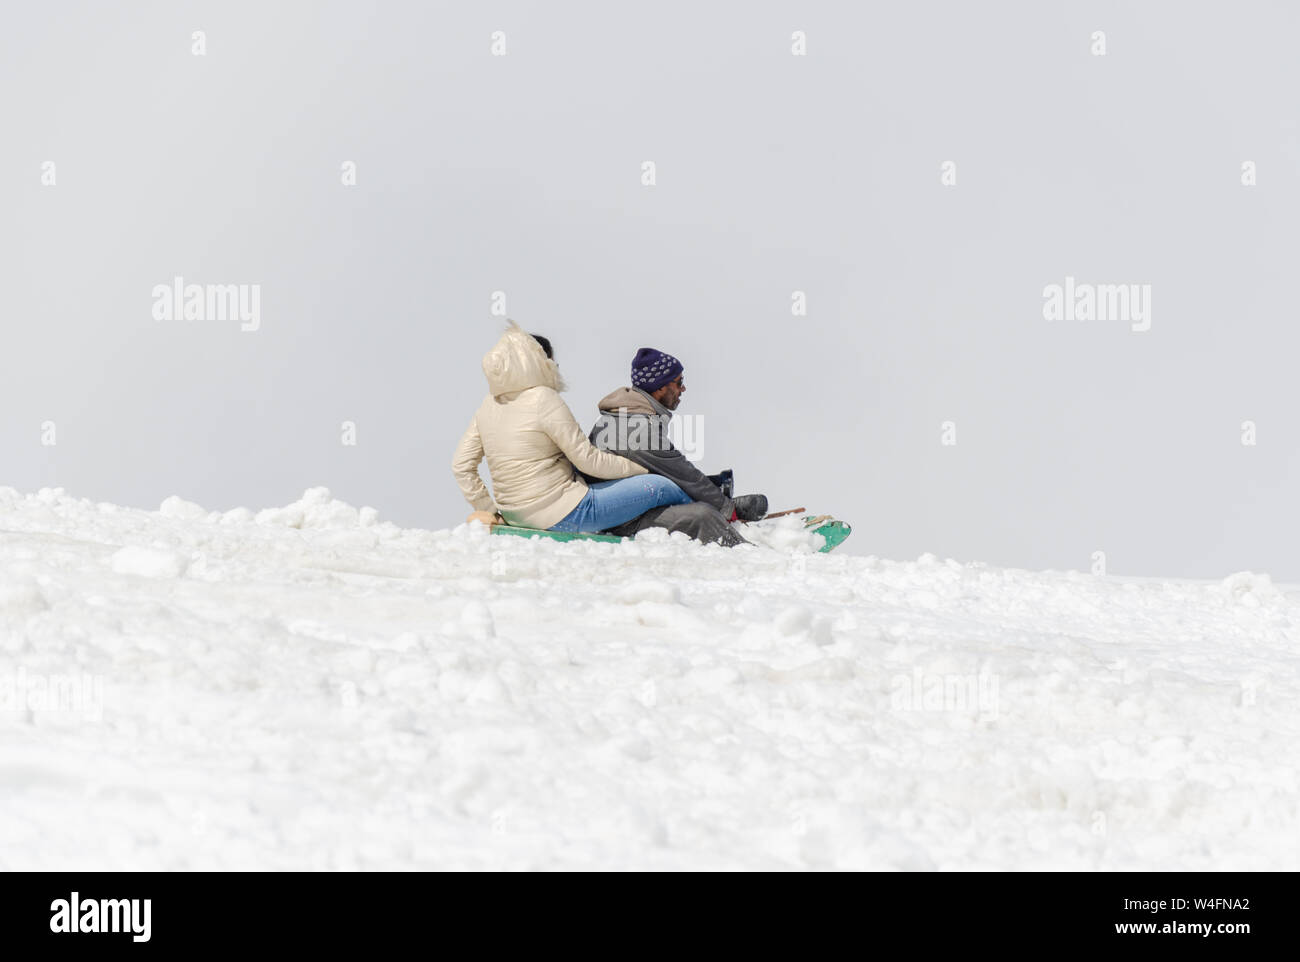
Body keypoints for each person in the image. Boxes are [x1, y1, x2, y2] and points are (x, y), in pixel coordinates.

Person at [452, 324, 691, 533]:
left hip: (514, 514)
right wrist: (642, 470)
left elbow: (461, 466)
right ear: (538, 363)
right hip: (565, 512)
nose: (555, 367)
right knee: (663, 486)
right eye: (552, 362)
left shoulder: (488, 405)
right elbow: (588, 460)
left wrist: (490, 511)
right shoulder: (543, 399)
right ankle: (708, 525)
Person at [587, 347, 767, 547]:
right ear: (660, 387)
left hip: (625, 505)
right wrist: (729, 510)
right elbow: (682, 473)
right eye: (679, 382)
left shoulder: (623, 415)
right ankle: (747, 555)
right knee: (702, 517)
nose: (683, 389)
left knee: (699, 499)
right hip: (622, 519)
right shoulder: (637, 429)